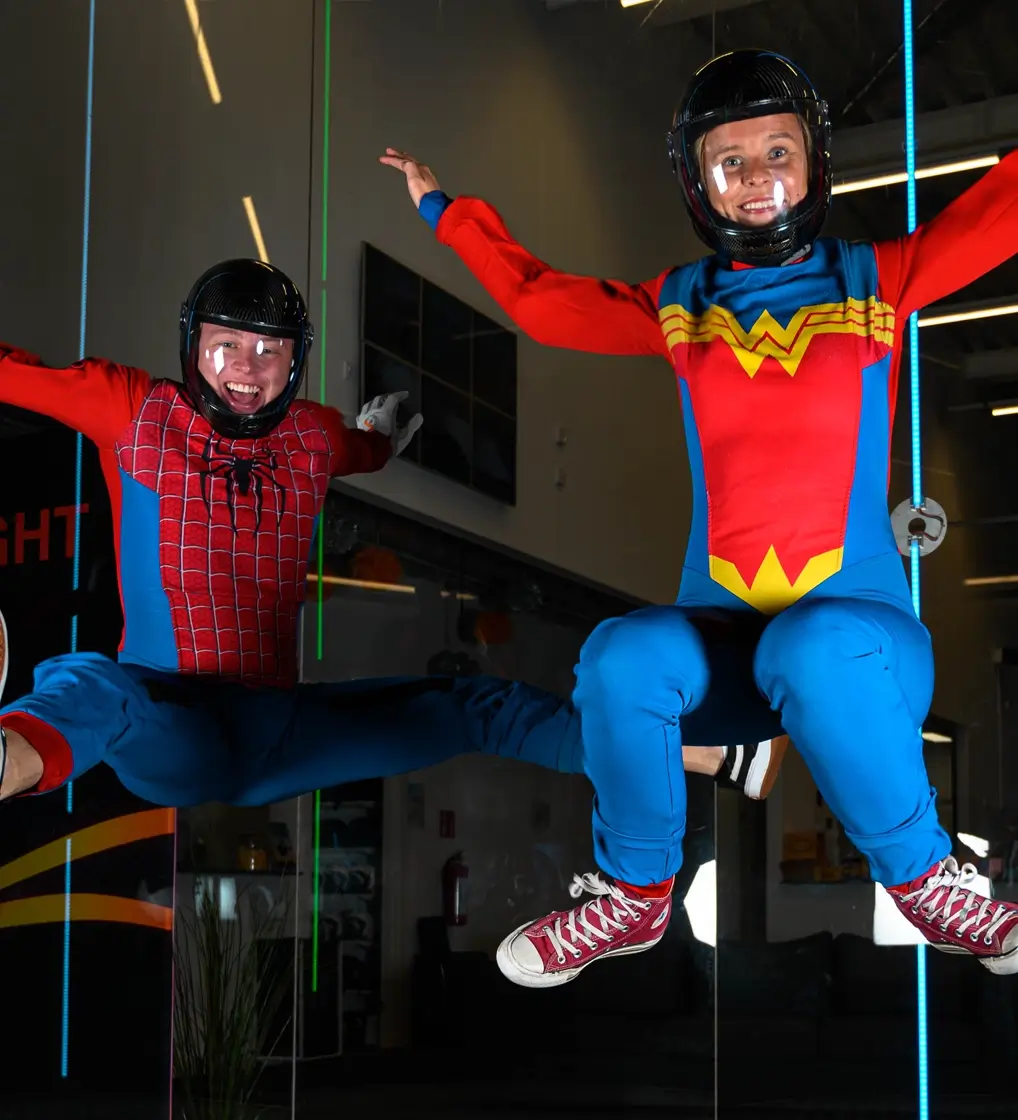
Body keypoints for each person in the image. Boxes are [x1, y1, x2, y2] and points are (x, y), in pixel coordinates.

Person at [383, 47, 1018, 985]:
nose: (757, 178)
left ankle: (928, 882)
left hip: (865, 646)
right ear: (698, 182)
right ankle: (636, 895)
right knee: (617, 655)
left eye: (777, 152)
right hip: (725, 645)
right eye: (731, 162)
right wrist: (449, 216)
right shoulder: (681, 306)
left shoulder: (876, 282)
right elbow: (542, 302)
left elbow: (996, 212)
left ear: (814, 164)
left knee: (812, 645)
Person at [0, 257, 780, 811]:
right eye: (227, 343)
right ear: (192, 345)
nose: (247, 367)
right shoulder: (129, 407)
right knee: (92, 682)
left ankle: (711, 753)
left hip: (278, 732)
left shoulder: (312, 436)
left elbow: (362, 447)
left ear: (295, 361)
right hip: (172, 721)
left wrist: (381, 435)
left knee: (478, 706)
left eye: (270, 350)